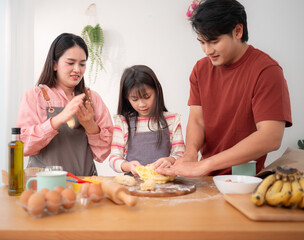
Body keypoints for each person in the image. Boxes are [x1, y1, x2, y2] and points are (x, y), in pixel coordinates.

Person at [158, 0, 292, 177]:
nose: (207, 50)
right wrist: (190, 155)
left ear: (238, 31)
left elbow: (270, 137)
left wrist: (205, 164)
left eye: (213, 41)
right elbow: (198, 120)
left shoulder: (267, 71)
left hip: (244, 179)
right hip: (206, 178)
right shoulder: (200, 69)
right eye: (202, 42)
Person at [16, 33, 113, 176]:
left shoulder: (92, 99)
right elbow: (23, 146)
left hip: (84, 185)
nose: (77, 70)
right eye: (70, 63)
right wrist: (58, 119)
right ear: (54, 64)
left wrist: (90, 125)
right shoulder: (34, 96)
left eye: (82, 63)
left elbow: (103, 153)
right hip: (44, 187)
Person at [109, 65, 185, 175]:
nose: (142, 104)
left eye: (147, 97)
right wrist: (128, 166)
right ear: (127, 97)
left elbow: (181, 154)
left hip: (164, 185)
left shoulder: (171, 121)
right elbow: (113, 159)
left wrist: (170, 160)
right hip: (133, 186)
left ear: (157, 91)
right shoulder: (123, 123)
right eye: (134, 99)